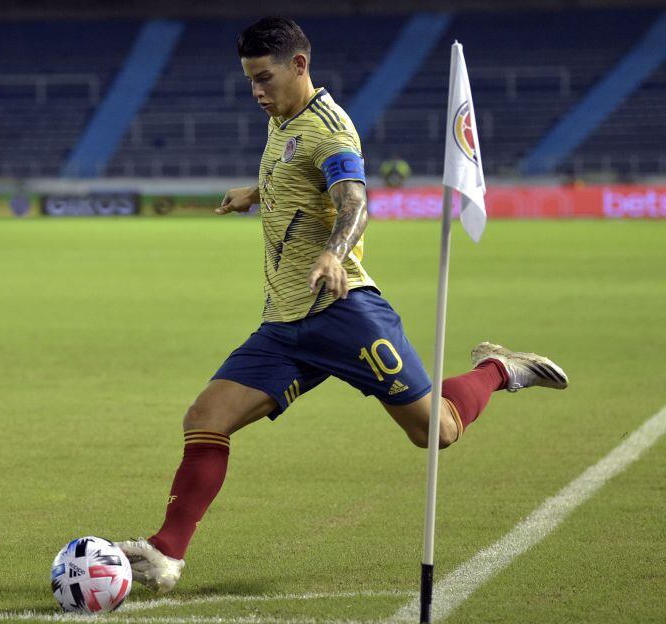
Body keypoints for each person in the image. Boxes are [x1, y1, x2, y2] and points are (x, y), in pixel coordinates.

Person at [115, 16, 568, 594]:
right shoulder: (283, 121)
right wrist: (256, 193)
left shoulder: (331, 129)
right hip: (284, 323)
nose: (256, 91)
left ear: (299, 66)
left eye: (264, 78)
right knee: (205, 418)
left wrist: (334, 253)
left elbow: (352, 196)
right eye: (250, 79)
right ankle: (165, 553)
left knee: (437, 434)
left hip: (344, 313)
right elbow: (297, 177)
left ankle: (498, 368)